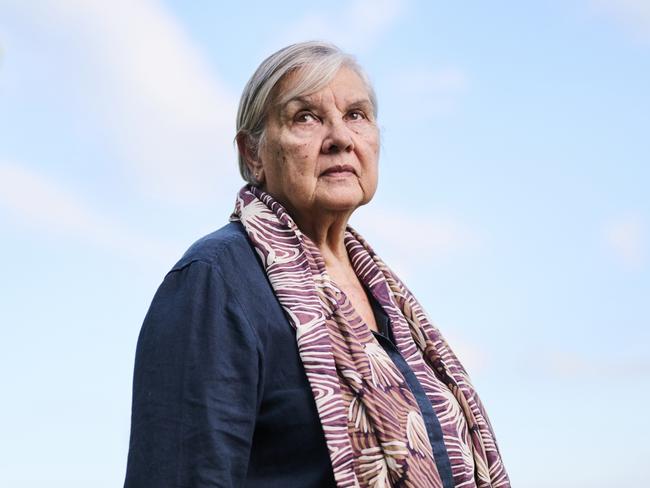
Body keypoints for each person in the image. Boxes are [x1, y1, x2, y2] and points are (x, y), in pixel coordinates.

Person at [124, 41, 510, 488]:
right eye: (305, 117)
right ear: (253, 154)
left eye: (356, 115)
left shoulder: (392, 301)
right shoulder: (217, 281)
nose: (341, 139)